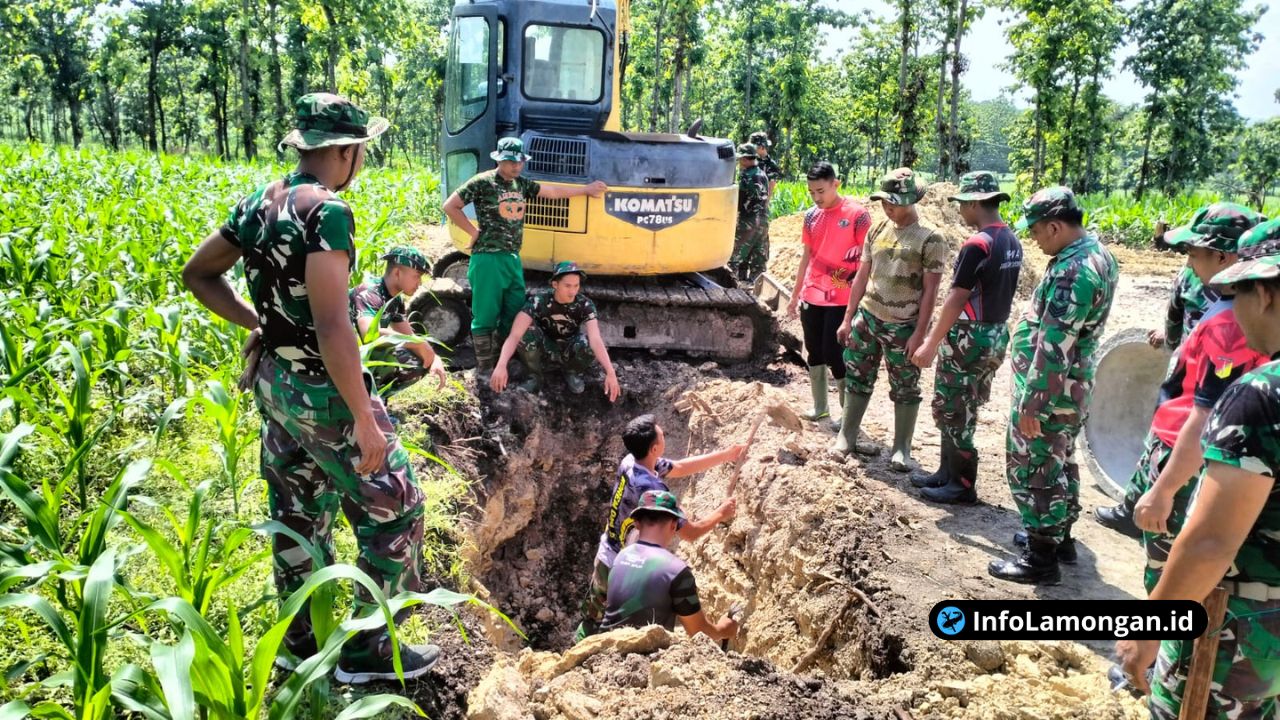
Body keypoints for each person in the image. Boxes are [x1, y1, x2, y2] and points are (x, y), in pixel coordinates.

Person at [181, 93, 437, 682]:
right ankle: (366, 648)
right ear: (346, 151)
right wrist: (365, 419)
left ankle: (301, 639)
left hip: (275, 384)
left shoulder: (258, 202)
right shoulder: (327, 215)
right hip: (324, 392)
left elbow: (199, 274)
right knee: (399, 509)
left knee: (298, 511)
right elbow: (331, 326)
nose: (363, 160)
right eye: (362, 150)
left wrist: (261, 325)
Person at [1115, 218, 1280, 720]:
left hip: (1241, 628)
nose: (1234, 309)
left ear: (1267, 294)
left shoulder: (1261, 397)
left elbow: (1210, 542)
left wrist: (1145, 633)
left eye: (1239, 293)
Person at [1127, 204, 1267, 594]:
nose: (1189, 264)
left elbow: (1204, 417)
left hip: (1187, 456)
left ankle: (1157, 649)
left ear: (1223, 257)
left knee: (1167, 564)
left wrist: (1164, 490)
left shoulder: (1230, 328)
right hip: (1187, 453)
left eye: (1194, 253)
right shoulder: (1236, 314)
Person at [990, 187, 1117, 585]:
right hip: (1071, 388)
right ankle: (1058, 537)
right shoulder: (1096, 254)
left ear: (1056, 226)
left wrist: (1033, 403)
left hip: (1052, 391)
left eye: (1038, 232)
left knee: (1034, 464)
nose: (1034, 239)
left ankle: (1040, 558)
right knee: (1061, 459)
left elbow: (1055, 344)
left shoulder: (1073, 271)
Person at [441, 137, 607, 374]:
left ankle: (505, 360)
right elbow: (450, 206)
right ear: (499, 160)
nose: (516, 166)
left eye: (519, 162)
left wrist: (585, 190)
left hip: (512, 258)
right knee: (485, 314)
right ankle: (486, 368)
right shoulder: (482, 182)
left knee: (515, 311)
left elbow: (551, 192)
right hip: (488, 257)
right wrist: (472, 231)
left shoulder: (521, 184)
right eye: (510, 162)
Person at [575, 414, 745, 641]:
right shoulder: (650, 487)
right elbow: (690, 533)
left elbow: (680, 467)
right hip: (626, 567)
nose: (664, 437)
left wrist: (727, 455)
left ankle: (577, 651)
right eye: (662, 435)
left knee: (593, 619)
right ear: (654, 448)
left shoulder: (631, 461)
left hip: (608, 552)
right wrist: (721, 514)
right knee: (627, 629)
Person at [910, 171, 1023, 504]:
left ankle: (960, 483)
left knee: (956, 406)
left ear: (975, 203)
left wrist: (930, 343)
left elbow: (957, 297)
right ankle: (945, 472)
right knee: (963, 402)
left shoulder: (978, 244)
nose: (960, 210)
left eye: (962, 204)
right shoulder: (1011, 240)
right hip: (995, 334)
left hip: (967, 338)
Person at [834, 167, 947, 472]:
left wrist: (919, 334)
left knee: (906, 386)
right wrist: (848, 318)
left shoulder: (931, 238)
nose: (888, 208)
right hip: (868, 318)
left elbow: (930, 291)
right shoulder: (876, 230)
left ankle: (902, 449)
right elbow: (861, 277)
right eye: (885, 202)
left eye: (893, 203)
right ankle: (847, 436)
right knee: (857, 375)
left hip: (903, 324)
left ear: (911, 201)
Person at [1095, 260, 1219, 538]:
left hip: (1192, 381)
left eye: (1193, 251)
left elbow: (1173, 330)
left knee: (1166, 441)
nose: (1188, 258)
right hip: (1213, 384)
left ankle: (1141, 512)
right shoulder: (1250, 291)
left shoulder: (1190, 278)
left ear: (1217, 254)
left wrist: (1171, 339)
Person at [785, 161, 872, 428]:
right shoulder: (811, 216)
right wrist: (795, 293)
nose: (816, 197)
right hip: (813, 294)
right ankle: (820, 407)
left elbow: (868, 260)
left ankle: (848, 416)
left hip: (842, 296)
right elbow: (806, 257)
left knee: (835, 353)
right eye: (812, 192)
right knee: (814, 350)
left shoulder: (858, 215)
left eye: (821, 191)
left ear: (836, 184)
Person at [600, 490, 740, 642]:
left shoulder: (621, 556)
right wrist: (725, 629)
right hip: (643, 655)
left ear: (637, 523)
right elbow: (700, 633)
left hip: (605, 647)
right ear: (674, 526)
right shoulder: (676, 571)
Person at [489, 260, 620, 400]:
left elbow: (595, 339)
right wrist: (501, 365)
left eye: (576, 285)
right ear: (555, 284)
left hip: (569, 347)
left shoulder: (585, 304)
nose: (573, 291)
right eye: (567, 285)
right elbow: (515, 335)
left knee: (588, 344)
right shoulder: (539, 300)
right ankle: (535, 376)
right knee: (525, 335)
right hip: (544, 346)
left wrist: (610, 372)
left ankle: (571, 371)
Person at [349, 246, 447, 399]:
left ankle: (378, 401)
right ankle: (363, 403)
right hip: (336, 357)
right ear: (397, 273)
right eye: (416, 276)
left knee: (419, 360)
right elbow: (369, 334)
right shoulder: (369, 293)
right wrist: (419, 343)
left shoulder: (395, 299)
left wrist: (434, 357)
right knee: (405, 354)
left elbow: (407, 334)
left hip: (358, 357)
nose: (419, 283)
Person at [729, 142, 771, 283]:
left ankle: (732, 285)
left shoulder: (745, 176)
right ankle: (757, 285)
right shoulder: (762, 174)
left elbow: (739, 200)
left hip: (748, 221)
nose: (740, 162)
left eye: (740, 159)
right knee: (759, 256)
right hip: (763, 221)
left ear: (746, 159)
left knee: (735, 255)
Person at [749, 131, 783, 198]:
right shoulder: (751, 161)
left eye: (754, 147)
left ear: (762, 147)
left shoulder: (771, 165)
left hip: (760, 203)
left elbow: (770, 188)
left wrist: (765, 205)